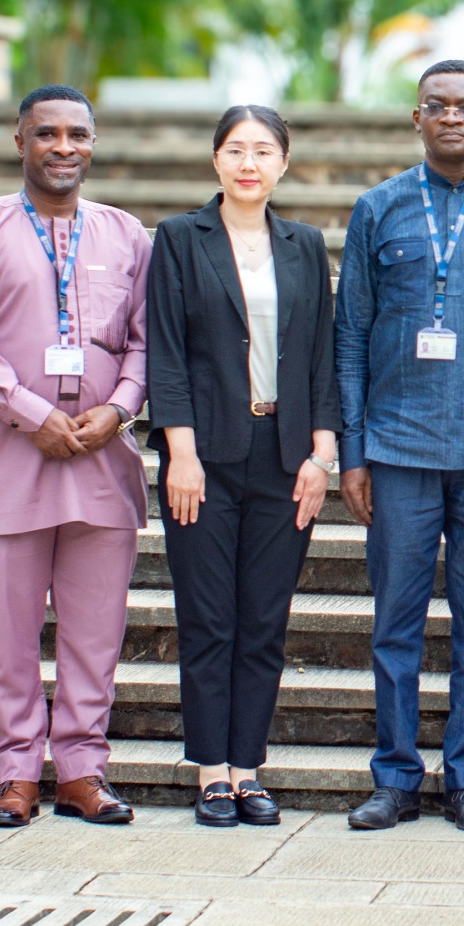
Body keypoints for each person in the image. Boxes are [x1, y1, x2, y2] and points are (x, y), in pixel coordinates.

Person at [335, 60, 464, 834]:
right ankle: (394, 776)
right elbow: (350, 334)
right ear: (415, 118)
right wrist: (353, 451)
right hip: (397, 447)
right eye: (437, 104)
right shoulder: (377, 209)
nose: (452, 115)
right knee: (395, 620)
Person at [0, 85, 152, 829]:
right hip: (7, 459)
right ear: (19, 142)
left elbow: (149, 342)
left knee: (96, 631)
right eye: (47, 133)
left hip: (101, 461)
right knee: (7, 631)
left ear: (94, 143)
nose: (64, 146)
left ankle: (83, 770)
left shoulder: (127, 234)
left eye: (78, 134)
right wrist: (32, 415)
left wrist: (119, 407)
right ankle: (17, 772)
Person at [147, 105, 341, 827]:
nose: (249, 162)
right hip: (204, 456)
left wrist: (322, 456)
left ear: (284, 163)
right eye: (235, 149)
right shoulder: (178, 238)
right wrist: (181, 453)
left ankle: (249, 767)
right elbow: (164, 355)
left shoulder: (303, 244)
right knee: (208, 620)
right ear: (216, 160)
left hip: (284, 455)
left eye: (263, 150)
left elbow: (322, 358)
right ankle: (210, 771)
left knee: (264, 618)